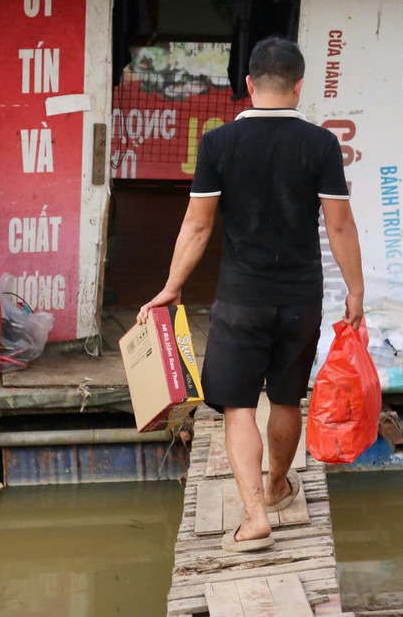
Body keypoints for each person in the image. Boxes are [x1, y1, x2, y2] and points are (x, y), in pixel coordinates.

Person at [138, 36, 366, 554]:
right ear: (299, 86)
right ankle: (278, 485)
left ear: (247, 85)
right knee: (286, 396)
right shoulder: (320, 145)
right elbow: (340, 226)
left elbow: (197, 226)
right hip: (301, 299)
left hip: (241, 299)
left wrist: (171, 287)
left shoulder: (218, 144)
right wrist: (355, 290)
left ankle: (255, 515)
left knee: (238, 405)